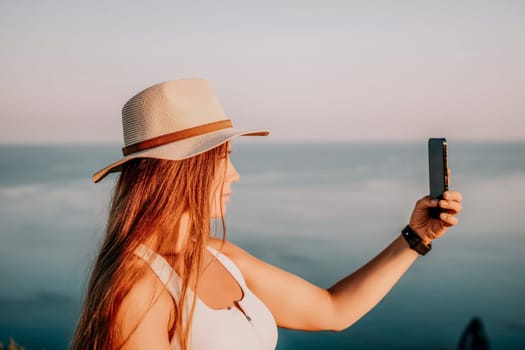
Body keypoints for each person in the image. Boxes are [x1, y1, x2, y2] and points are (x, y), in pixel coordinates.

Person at [71, 79, 463, 350]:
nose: (235, 174)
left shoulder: (220, 254)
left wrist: (415, 237)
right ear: (181, 170)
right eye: (223, 159)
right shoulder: (136, 289)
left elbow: (332, 309)